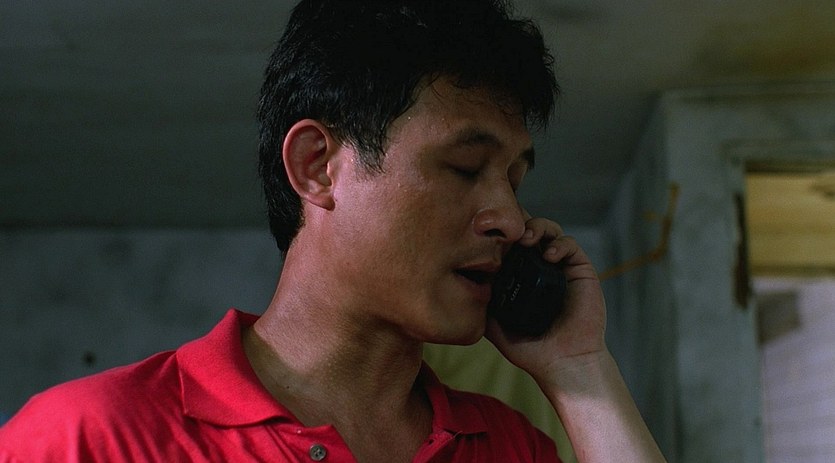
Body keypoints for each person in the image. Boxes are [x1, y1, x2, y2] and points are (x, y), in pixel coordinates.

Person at [0, 0, 666, 461]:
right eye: (465, 168)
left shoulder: (510, 448)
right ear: (317, 166)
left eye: (514, 181)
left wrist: (580, 370)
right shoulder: (90, 438)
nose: (511, 220)